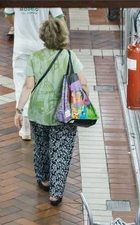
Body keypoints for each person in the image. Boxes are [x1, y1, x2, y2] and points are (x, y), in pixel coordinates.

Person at [15, 19, 88, 206]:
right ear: (63, 35)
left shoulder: (35, 57)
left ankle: (44, 179)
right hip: (65, 114)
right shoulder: (70, 56)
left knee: (41, 148)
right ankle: (56, 194)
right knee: (60, 153)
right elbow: (83, 83)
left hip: (38, 113)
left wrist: (19, 110)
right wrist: (83, 104)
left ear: (43, 36)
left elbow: (27, 86)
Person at [5, 0, 64, 140]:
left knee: (21, 86)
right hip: (42, 48)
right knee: (40, 86)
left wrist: (19, 25)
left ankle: (25, 129)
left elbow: (8, 15)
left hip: (21, 48)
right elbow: (60, 19)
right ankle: (41, 126)